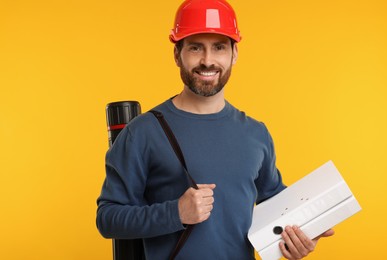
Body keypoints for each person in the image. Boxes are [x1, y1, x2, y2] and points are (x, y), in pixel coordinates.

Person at [96, 0, 334, 259]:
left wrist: (297, 236)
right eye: (196, 47)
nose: (207, 61)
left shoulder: (256, 134)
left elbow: (276, 212)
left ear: (234, 53)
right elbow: (108, 218)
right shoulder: (142, 132)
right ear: (177, 54)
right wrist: (175, 213)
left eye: (219, 47)